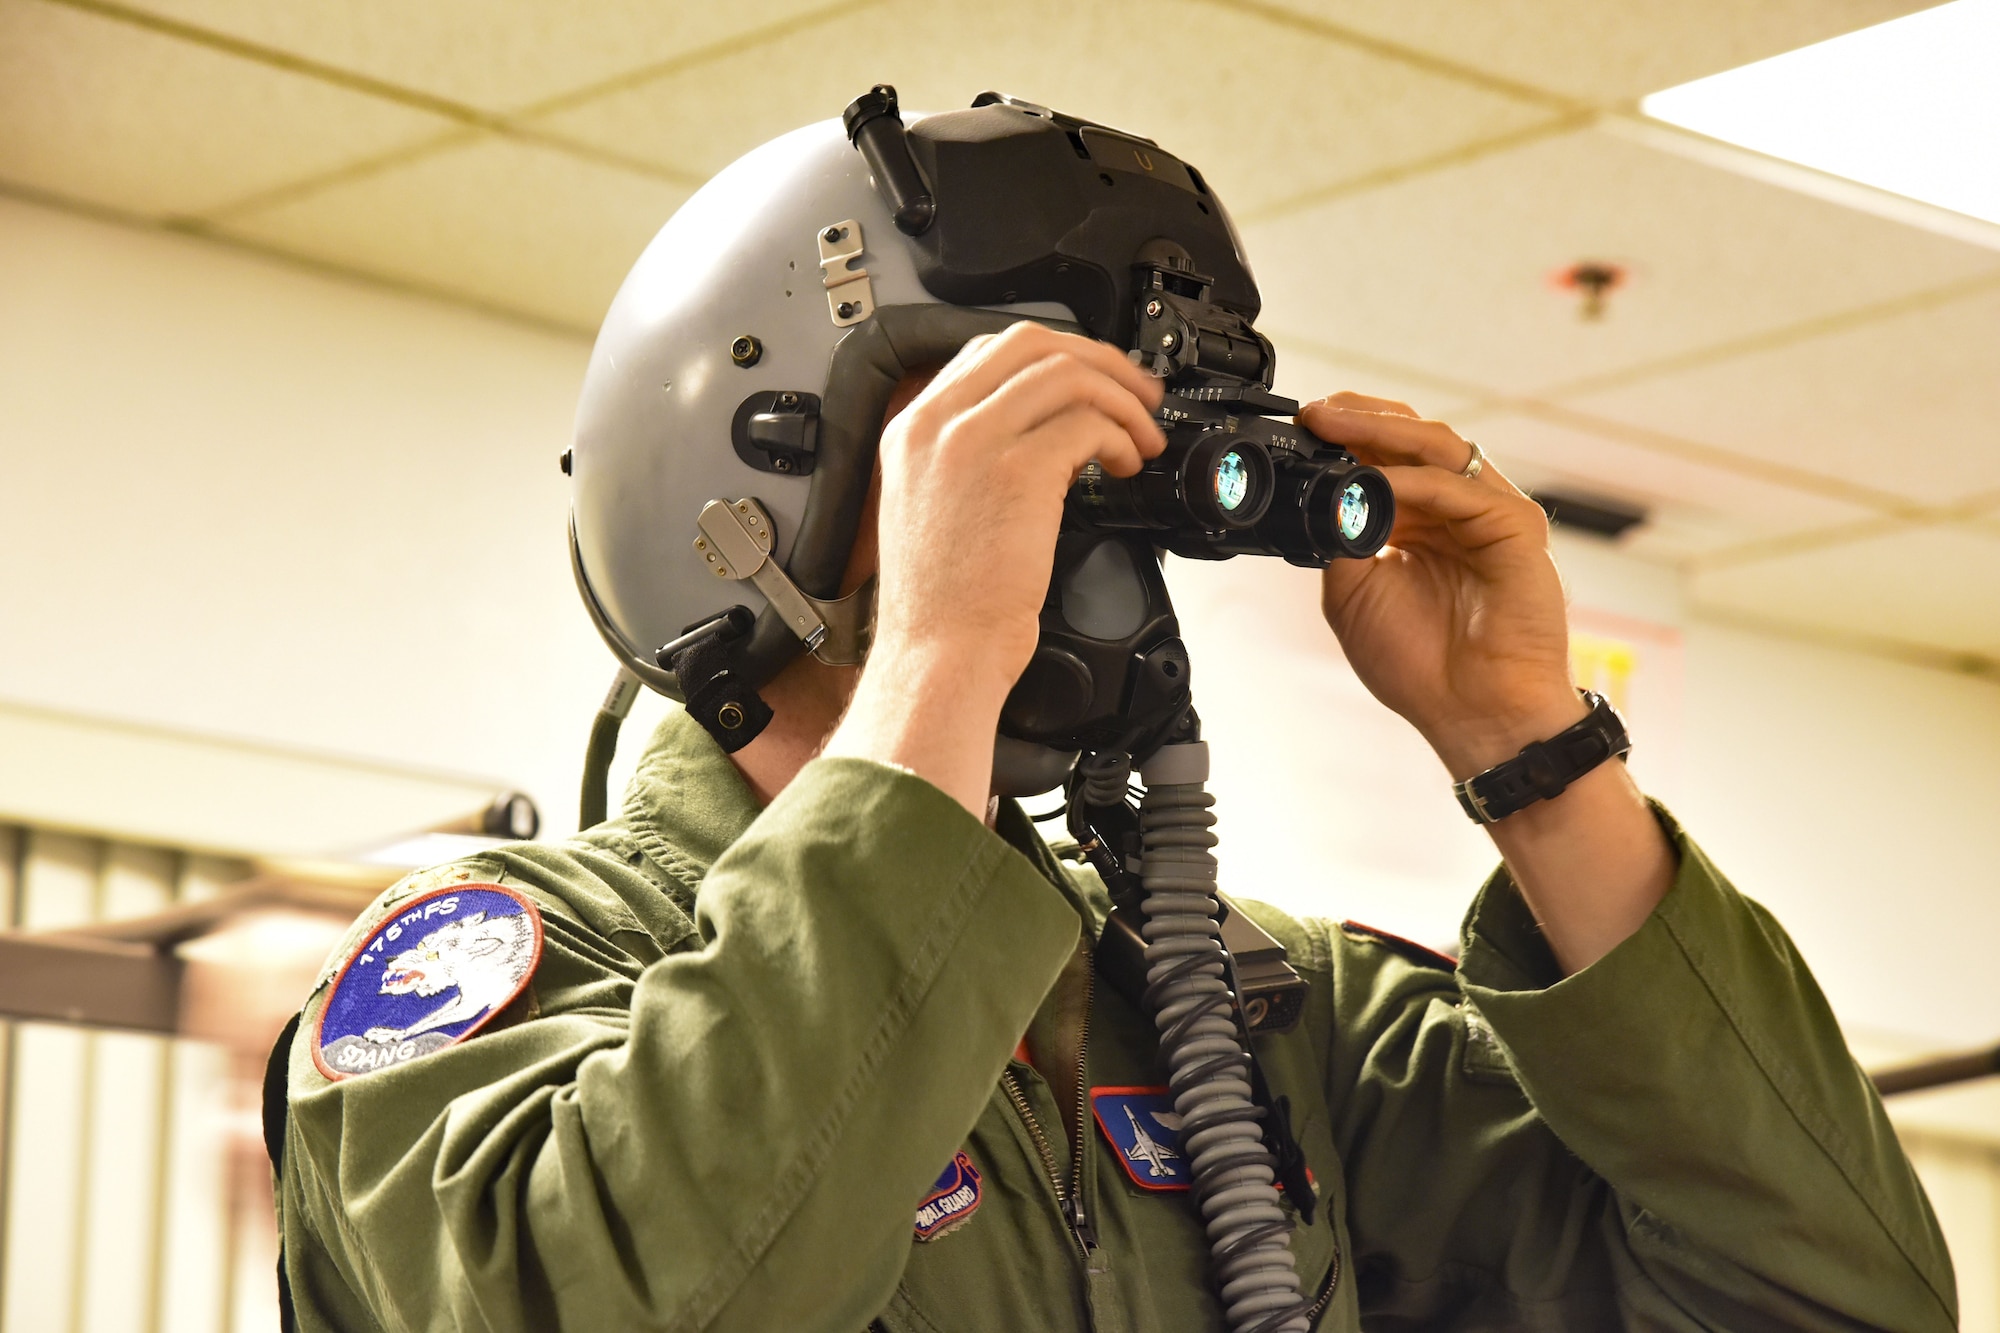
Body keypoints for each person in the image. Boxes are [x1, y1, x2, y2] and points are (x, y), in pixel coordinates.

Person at [271, 93, 1955, 1332]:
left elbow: (1833, 1295)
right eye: (1008, 455)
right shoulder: (493, 978)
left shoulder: (1271, 1014)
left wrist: (1531, 750)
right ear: (748, 493)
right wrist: (936, 662)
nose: (1088, 535)